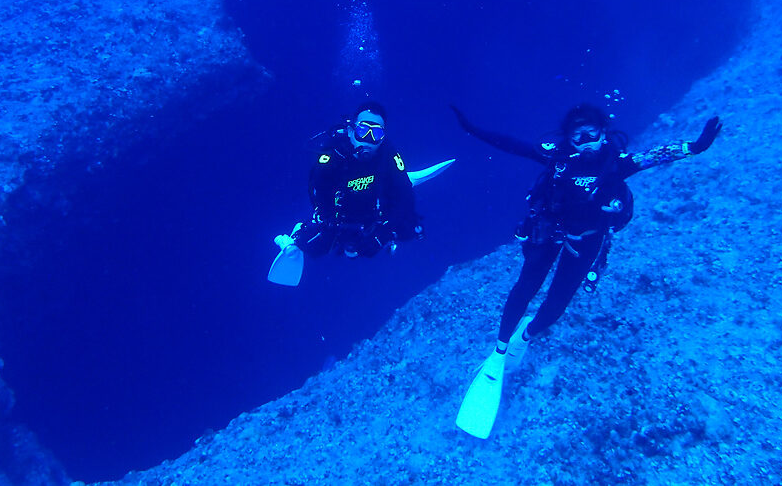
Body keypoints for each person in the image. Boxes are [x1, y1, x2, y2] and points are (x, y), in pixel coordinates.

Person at [452, 103, 721, 437]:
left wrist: (695, 147)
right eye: (577, 136)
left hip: (588, 240)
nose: (585, 141)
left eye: (591, 133)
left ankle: (525, 336)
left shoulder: (617, 164)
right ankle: (498, 354)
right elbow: (513, 144)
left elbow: (655, 155)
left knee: (557, 305)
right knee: (525, 287)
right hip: (550, 233)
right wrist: (471, 128)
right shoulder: (558, 158)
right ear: (569, 139)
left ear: (604, 132)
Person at [272, 102, 424, 284]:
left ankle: (404, 180)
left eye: (376, 134)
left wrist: (383, 235)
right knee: (316, 245)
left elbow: (406, 196)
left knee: (411, 228)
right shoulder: (334, 154)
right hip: (340, 214)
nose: (368, 139)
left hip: (374, 208)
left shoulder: (388, 154)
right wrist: (328, 219)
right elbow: (316, 189)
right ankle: (295, 235)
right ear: (351, 131)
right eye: (363, 130)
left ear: (382, 138)